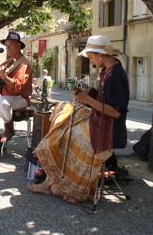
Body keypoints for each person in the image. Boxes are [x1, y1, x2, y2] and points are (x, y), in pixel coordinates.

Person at [27, 35, 129, 203]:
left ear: (101, 54)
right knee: (63, 123)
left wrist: (88, 100)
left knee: (63, 139)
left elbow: (116, 112)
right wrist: (89, 94)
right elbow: (106, 101)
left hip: (107, 130)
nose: (90, 61)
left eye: (91, 57)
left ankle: (57, 185)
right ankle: (50, 182)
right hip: (99, 122)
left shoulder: (114, 76)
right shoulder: (107, 71)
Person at [0, 32, 33, 156]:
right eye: (6, 45)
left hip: (20, 99)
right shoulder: (9, 61)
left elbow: (18, 86)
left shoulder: (24, 64)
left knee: (1, 101)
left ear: (18, 46)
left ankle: (9, 129)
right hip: (6, 101)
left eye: (10, 45)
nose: (7, 48)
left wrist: (4, 77)